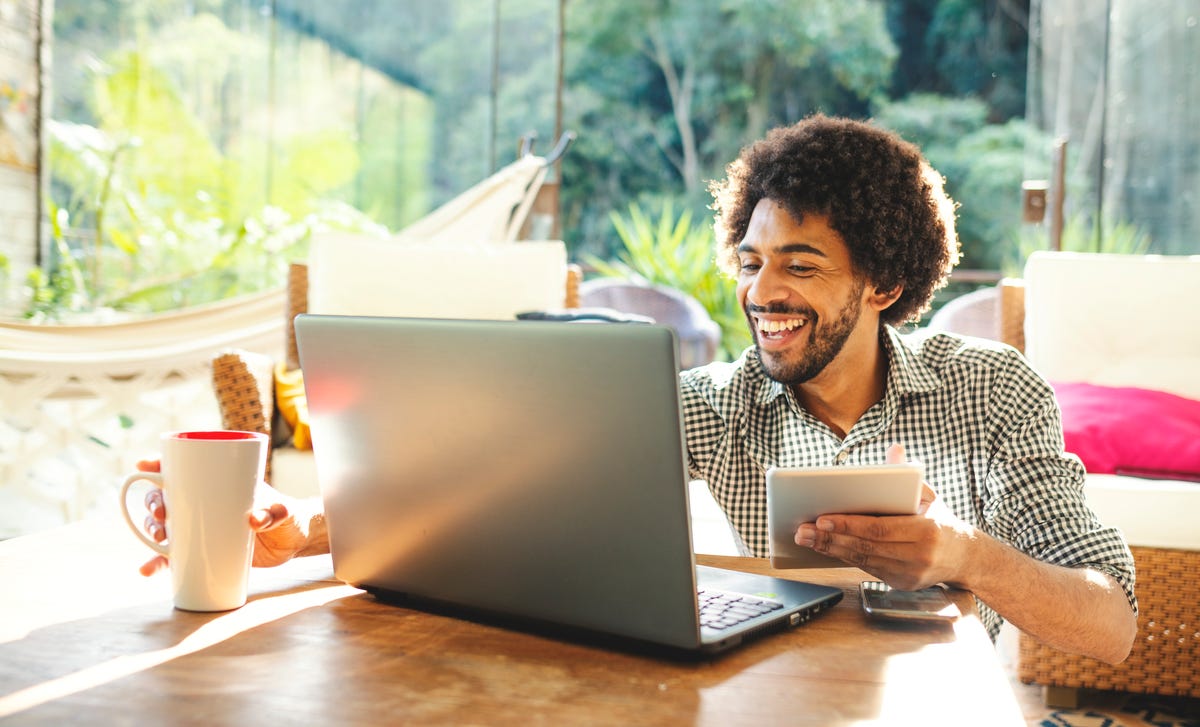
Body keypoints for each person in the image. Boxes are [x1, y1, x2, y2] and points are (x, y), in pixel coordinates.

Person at [139, 114, 1136, 664]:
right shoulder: (712, 401)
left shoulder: (994, 391)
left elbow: (1112, 621)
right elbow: (498, 483)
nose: (761, 293)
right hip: (773, 688)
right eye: (749, 261)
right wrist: (298, 526)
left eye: (799, 264)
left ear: (883, 282)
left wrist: (962, 552)